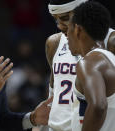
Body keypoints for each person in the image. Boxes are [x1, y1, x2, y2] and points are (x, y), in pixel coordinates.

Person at [42, 0, 115, 130]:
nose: (59, 25)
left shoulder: (110, 41)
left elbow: (99, 105)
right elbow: (53, 96)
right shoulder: (54, 42)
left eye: (64, 18)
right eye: (55, 19)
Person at [67, 1, 115, 130]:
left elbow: (98, 106)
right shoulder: (110, 59)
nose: (66, 36)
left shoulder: (89, 62)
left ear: (78, 29)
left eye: (68, 30)